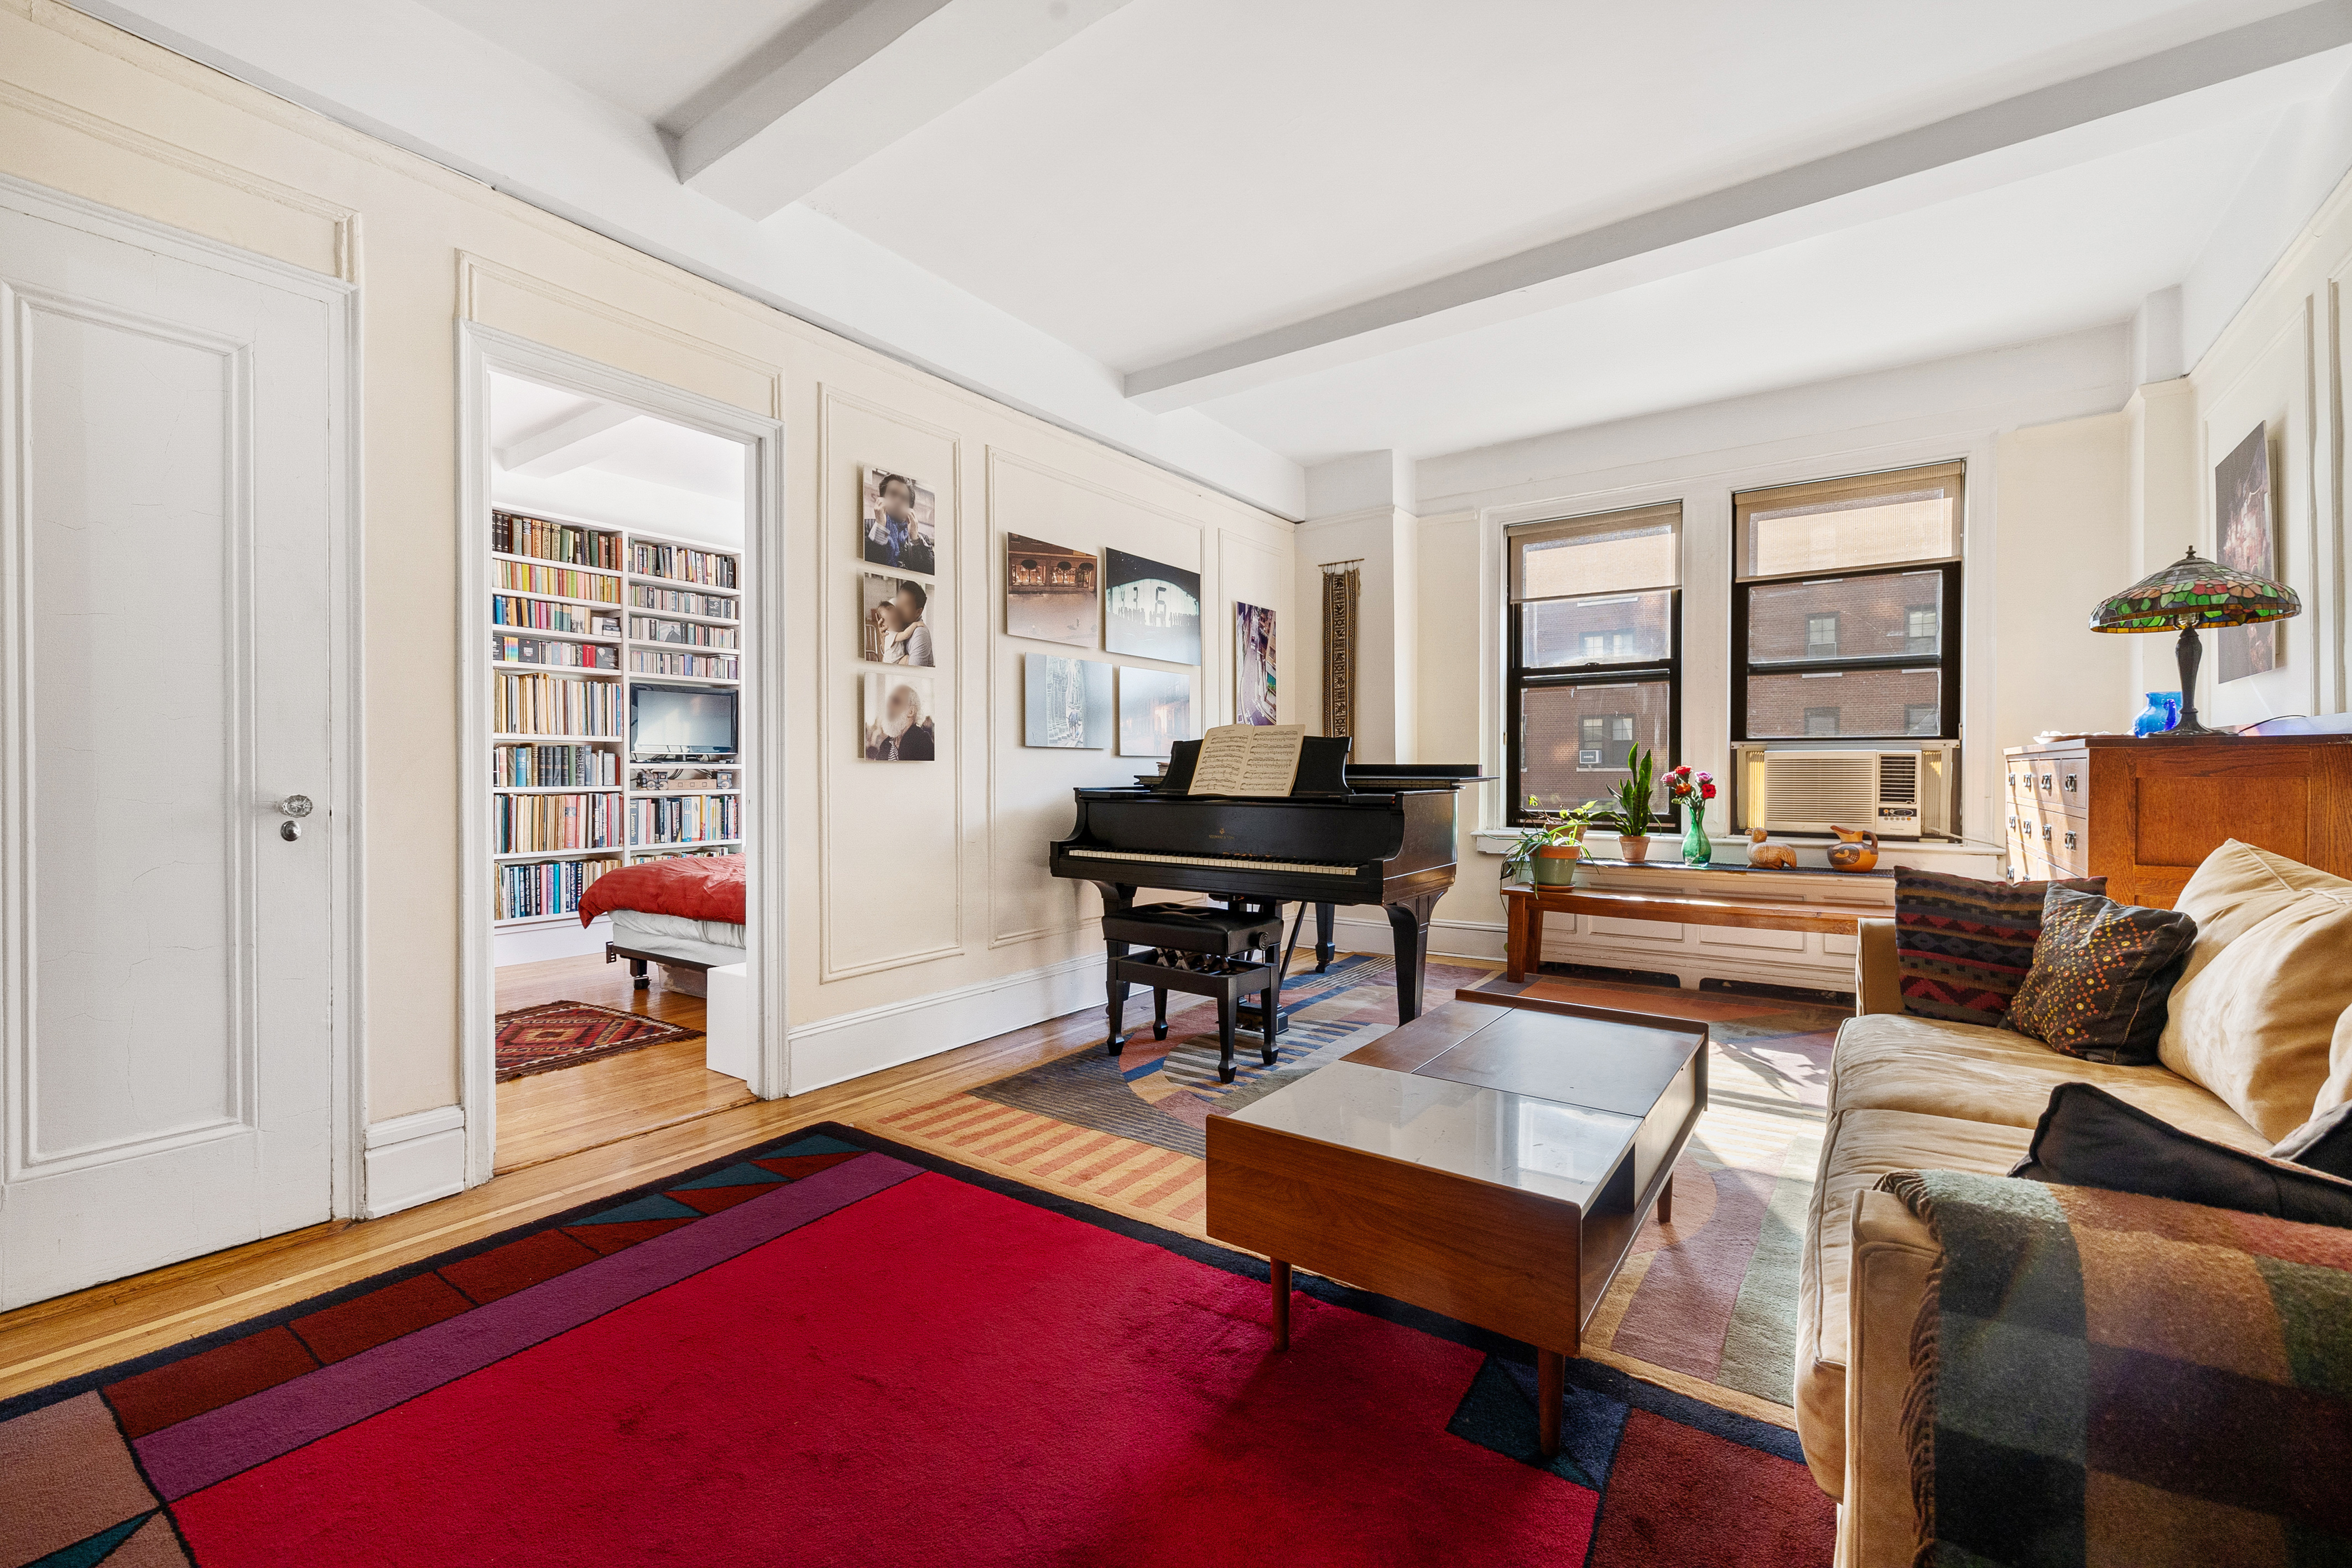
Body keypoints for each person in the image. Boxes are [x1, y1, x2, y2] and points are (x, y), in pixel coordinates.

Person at [865, 473, 935, 576]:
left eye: (903, 498)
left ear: (910, 506)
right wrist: (880, 526)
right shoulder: (868, 526)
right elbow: (868, 564)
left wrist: (915, 539)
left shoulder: (922, 539)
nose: (898, 501)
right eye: (893, 494)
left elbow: (930, 573)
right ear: (882, 498)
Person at [864, 678, 935, 760]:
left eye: (896, 701)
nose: (889, 705)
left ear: (911, 712)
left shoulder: (922, 741)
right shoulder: (887, 743)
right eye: (890, 700)